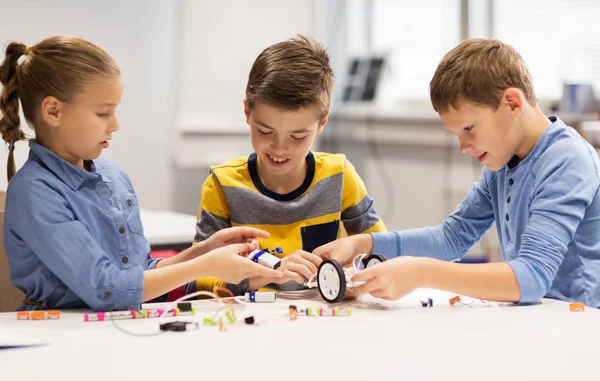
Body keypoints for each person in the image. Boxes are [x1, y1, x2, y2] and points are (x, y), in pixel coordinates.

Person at [1, 36, 281, 311]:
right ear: (53, 111)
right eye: (103, 113)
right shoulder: (34, 191)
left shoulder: (113, 176)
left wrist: (204, 251)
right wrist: (206, 266)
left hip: (122, 330)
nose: (115, 125)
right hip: (61, 336)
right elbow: (106, 289)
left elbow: (138, 272)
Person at [314, 39, 600, 308]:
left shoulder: (566, 160)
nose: (463, 146)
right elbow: (452, 237)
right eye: (456, 134)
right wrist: (364, 243)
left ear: (512, 103)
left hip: (580, 324)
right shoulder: (503, 162)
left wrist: (420, 272)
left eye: (469, 129)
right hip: (540, 318)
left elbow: (532, 276)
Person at [189, 35, 386, 296]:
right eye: (265, 131)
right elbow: (195, 280)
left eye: (298, 136)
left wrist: (352, 279)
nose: (280, 148)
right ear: (247, 112)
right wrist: (271, 275)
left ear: (322, 122)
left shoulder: (339, 176)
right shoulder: (223, 185)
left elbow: (383, 254)